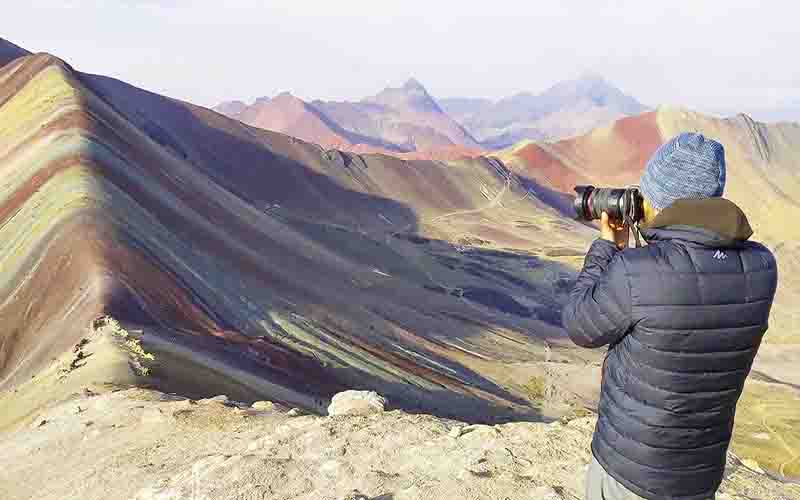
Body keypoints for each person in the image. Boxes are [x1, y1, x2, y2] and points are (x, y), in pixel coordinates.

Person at [561, 133, 778, 500]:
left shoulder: (636, 272)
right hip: (698, 476)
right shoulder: (762, 267)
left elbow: (580, 325)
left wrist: (606, 249)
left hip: (628, 472)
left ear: (658, 201)